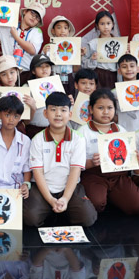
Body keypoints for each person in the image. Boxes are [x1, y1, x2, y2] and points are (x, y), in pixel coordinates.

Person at [24, 92, 97, 227]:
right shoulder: (37, 139)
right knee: (30, 218)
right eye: (53, 110)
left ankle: (62, 207)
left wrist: (65, 198)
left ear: (70, 114)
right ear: (45, 113)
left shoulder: (78, 139)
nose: (58, 114)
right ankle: (53, 207)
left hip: (69, 187)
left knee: (87, 217)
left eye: (63, 110)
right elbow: (37, 173)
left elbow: (75, 171)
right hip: (43, 188)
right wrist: (51, 199)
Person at [76, 89, 139, 215]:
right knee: (96, 204)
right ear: (91, 109)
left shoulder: (121, 131)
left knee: (138, 206)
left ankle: (113, 197)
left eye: (110, 108)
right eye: (100, 108)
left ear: (115, 109)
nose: (105, 112)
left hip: (119, 176)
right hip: (94, 176)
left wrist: (135, 159)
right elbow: (75, 164)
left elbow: (136, 169)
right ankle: (105, 196)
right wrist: (92, 162)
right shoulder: (83, 132)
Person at [0, 0, 46, 82]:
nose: (34, 18)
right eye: (32, 13)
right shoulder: (9, 27)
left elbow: (32, 50)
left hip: (27, 72)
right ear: (25, 12)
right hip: (8, 73)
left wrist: (16, 36)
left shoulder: (37, 32)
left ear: (38, 22)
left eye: (37, 17)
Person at [81, 11, 119, 89]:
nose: (106, 27)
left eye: (108, 23)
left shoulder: (120, 43)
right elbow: (84, 64)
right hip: (98, 75)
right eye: (102, 24)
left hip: (115, 75)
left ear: (113, 24)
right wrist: (93, 59)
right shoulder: (92, 43)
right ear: (97, 26)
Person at [23, 53, 57, 138]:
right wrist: (32, 108)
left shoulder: (57, 85)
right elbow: (25, 122)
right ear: (33, 71)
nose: (44, 69)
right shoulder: (26, 88)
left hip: (54, 130)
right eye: (40, 66)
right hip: (33, 130)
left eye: (47, 66)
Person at [43, 15, 78, 91]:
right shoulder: (48, 47)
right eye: (59, 28)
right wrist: (44, 53)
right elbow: (43, 64)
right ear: (53, 31)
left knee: (69, 96)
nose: (62, 31)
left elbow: (76, 68)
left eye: (65, 28)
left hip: (69, 76)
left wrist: (79, 55)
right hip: (54, 76)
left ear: (68, 31)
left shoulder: (73, 46)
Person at [116, 53, 139, 132]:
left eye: (132, 66)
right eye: (124, 67)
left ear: (138, 69)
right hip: (123, 131)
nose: (129, 69)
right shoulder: (114, 92)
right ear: (119, 71)